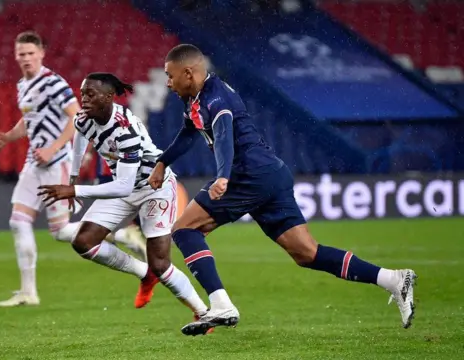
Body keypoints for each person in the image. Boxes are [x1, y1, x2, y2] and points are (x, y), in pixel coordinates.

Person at [148, 44, 417, 336]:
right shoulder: (197, 97)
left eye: (170, 75)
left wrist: (223, 176)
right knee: (307, 253)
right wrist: (163, 163)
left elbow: (224, 134)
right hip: (270, 174)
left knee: (186, 230)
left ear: (188, 73)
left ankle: (221, 304)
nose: (168, 82)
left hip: (247, 175)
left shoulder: (216, 98)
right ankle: (392, 279)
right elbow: (189, 133)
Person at [38, 72, 210, 325]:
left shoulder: (125, 131)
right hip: (124, 184)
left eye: (90, 94)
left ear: (108, 97)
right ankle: (143, 273)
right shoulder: (84, 117)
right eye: (83, 92)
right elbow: (80, 136)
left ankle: (204, 313)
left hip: (155, 187)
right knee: (83, 242)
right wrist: (73, 177)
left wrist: (75, 191)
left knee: (161, 265)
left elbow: (122, 187)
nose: (83, 99)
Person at [0, 32, 141, 307]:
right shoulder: (23, 85)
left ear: (41, 53)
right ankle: (28, 292)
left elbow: (77, 116)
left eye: (29, 53)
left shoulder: (52, 83)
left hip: (56, 160)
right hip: (33, 163)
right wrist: (8, 137)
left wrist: (53, 148)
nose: (25, 58)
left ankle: (121, 234)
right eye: (20, 53)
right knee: (18, 221)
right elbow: (29, 121)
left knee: (60, 231)